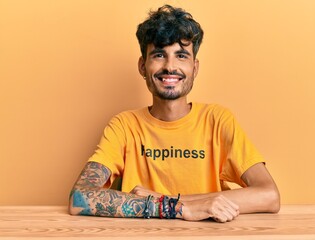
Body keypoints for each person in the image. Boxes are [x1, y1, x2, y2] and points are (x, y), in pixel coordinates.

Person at [68, 4, 280, 223]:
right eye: (159, 54)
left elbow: (269, 195)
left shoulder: (217, 120)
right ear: (142, 66)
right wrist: (178, 208)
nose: (170, 66)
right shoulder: (124, 125)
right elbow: (80, 198)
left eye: (181, 55)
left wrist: (165, 199)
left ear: (195, 68)